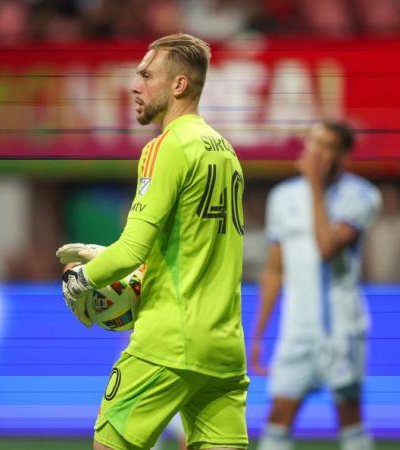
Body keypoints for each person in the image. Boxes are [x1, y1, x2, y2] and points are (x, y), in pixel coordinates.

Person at [57, 33, 249, 450]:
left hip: (168, 341)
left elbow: (131, 250)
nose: (135, 85)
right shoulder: (226, 152)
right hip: (225, 348)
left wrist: (82, 280)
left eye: (146, 75)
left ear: (179, 85)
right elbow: (192, 248)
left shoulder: (166, 147)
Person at [250, 121, 381, 450]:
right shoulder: (282, 197)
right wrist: (258, 335)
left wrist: (314, 187)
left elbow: (326, 247)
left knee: (350, 418)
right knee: (278, 417)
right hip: (296, 330)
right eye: (313, 142)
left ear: (343, 154)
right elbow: (274, 270)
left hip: (342, 328)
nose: (316, 151)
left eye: (327, 145)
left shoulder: (362, 195)